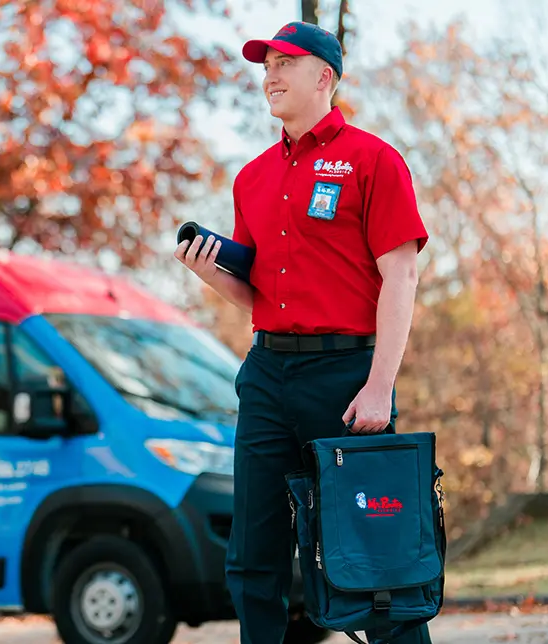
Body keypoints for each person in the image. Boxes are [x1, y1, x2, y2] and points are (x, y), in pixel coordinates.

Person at [173, 20, 430, 644]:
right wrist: (212, 274)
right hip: (267, 375)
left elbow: (401, 275)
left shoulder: (374, 159)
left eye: (285, 63)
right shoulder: (252, 178)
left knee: (372, 553)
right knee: (253, 557)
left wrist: (380, 385)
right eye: (266, 66)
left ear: (325, 77)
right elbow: (257, 292)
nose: (272, 76)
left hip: (346, 376)